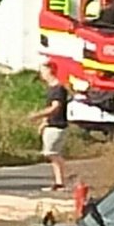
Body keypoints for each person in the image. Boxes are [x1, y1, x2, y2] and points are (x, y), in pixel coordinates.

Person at [28, 60, 68, 191]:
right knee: (51, 153)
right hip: (51, 124)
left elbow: (55, 108)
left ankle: (61, 182)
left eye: (43, 70)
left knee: (52, 153)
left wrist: (37, 115)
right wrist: (44, 122)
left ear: (50, 70)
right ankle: (59, 182)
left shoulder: (58, 89)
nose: (41, 74)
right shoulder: (52, 89)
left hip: (57, 125)